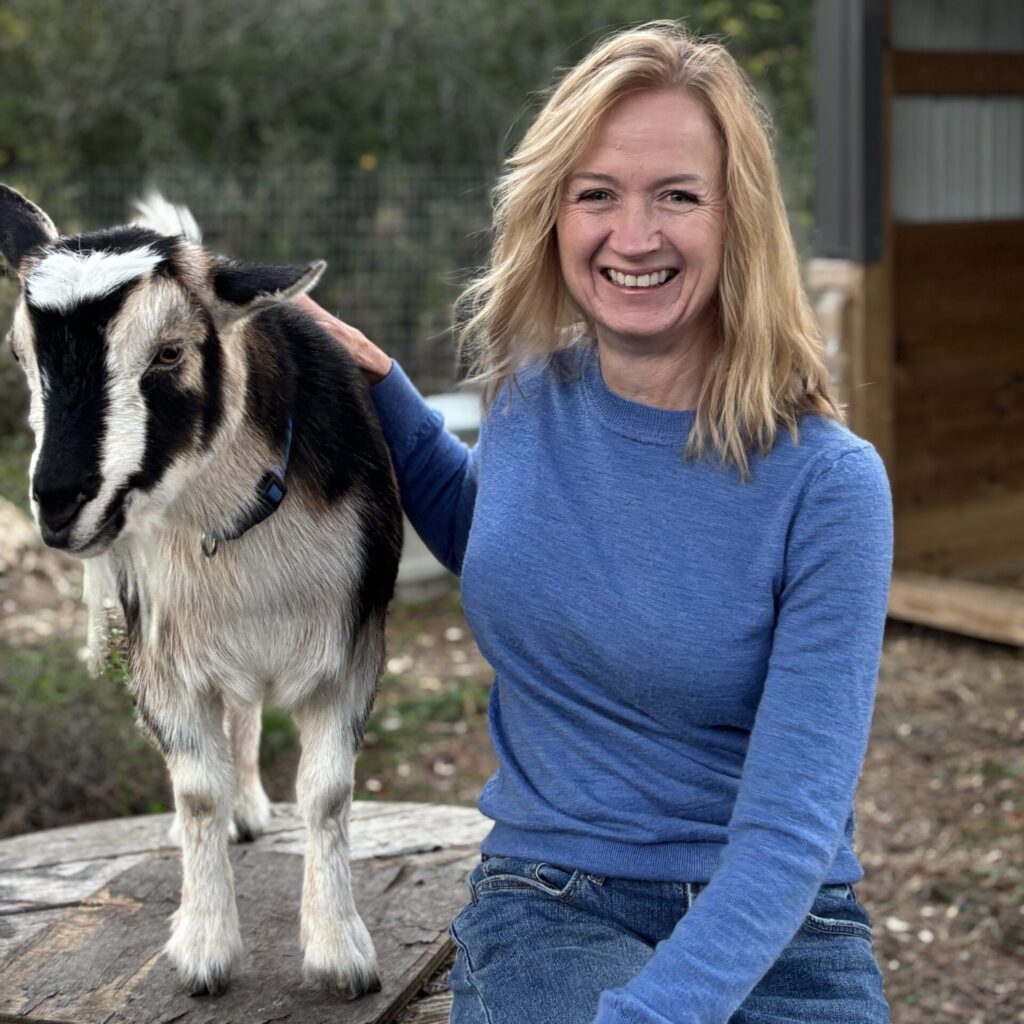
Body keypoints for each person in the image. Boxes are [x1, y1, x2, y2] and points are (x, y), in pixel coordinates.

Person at [298, 21, 893, 1024]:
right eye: (597, 194)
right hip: (553, 900)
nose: (634, 234)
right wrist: (383, 393)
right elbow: (511, 541)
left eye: (676, 195)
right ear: (552, 214)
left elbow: (790, 834)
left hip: (782, 928)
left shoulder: (831, 485)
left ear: (737, 218)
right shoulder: (527, 395)